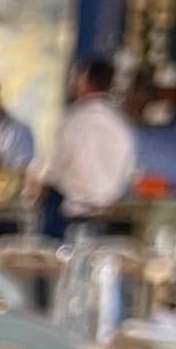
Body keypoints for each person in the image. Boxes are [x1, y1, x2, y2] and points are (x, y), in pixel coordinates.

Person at [29, 58, 136, 241]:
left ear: (85, 80)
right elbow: (129, 173)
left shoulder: (71, 121)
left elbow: (46, 171)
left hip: (66, 220)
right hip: (106, 220)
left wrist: (34, 189)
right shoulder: (121, 126)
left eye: (76, 78)